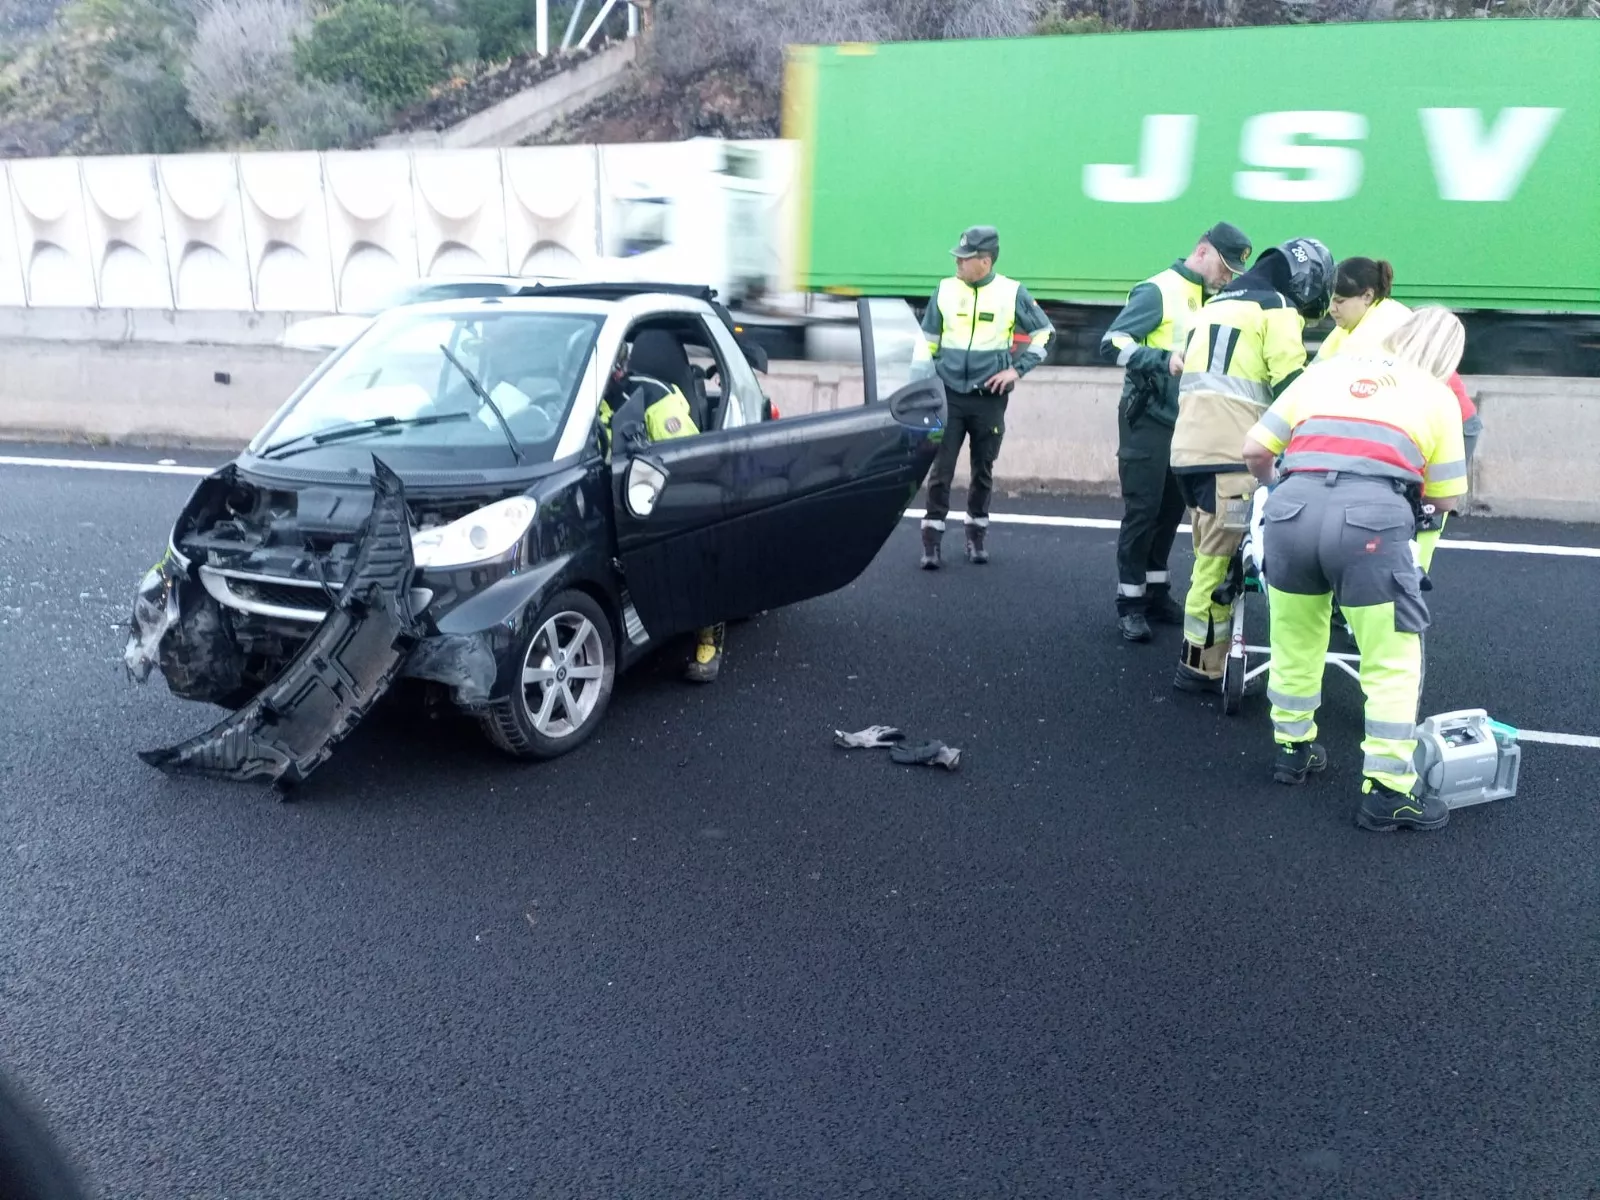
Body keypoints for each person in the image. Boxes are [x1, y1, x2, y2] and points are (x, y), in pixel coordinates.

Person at [1241, 306, 1470, 833]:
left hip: (1290, 511)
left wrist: (1285, 484)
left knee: (1295, 637)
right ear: (1446, 355)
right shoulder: (1436, 394)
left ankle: (1292, 750)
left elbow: (1254, 449)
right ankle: (1388, 791)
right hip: (1370, 523)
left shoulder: (1326, 371)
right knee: (1391, 655)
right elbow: (1449, 495)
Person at [1168, 236, 1336, 695]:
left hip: (1189, 452)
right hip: (1232, 456)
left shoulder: (1214, 305)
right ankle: (1200, 666)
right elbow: (1291, 387)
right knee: (1218, 565)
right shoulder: (1276, 309)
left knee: (1209, 554)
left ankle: (1200, 656)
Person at [1100, 221, 1254, 642]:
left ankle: (1154, 590)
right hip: (1148, 418)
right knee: (1142, 511)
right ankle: (1129, 603)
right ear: (1202, 252)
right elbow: (1112, 343)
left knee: (1170, 512)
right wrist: (1162, 358)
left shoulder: (1217, 300)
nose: (1226, 277)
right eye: (1223, 267)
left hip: (1188, 423)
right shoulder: (1157, 290)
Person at [1313, 258, 1484, 574]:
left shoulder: (1380, 328)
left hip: (1448, 421)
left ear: (1366, 296)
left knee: (1424, 512)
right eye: (1330, 301)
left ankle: (1410, 587)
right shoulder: (1351, 325)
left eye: (1339, 301)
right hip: (1416, 419)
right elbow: (1312, 378)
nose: (1331, 310)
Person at [911, 225, 1057, 568]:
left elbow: (1045, 333)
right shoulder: (945, 290)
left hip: (988, 399)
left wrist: (1016, 371)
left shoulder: (1011, 292)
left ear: (985, 261)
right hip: (948, 395)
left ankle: (976, 535)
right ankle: (931, 541)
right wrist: (920, 387)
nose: (957, 263)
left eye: (965, 258)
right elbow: (926, 344)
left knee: (983, 469)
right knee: (941, 469)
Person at [599, 330, 725, 683]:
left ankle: (708, 635)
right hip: (605, 499)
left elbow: (688, 461)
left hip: (656, 498)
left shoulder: (654, 396)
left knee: (692, 550)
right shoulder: (579, 400)